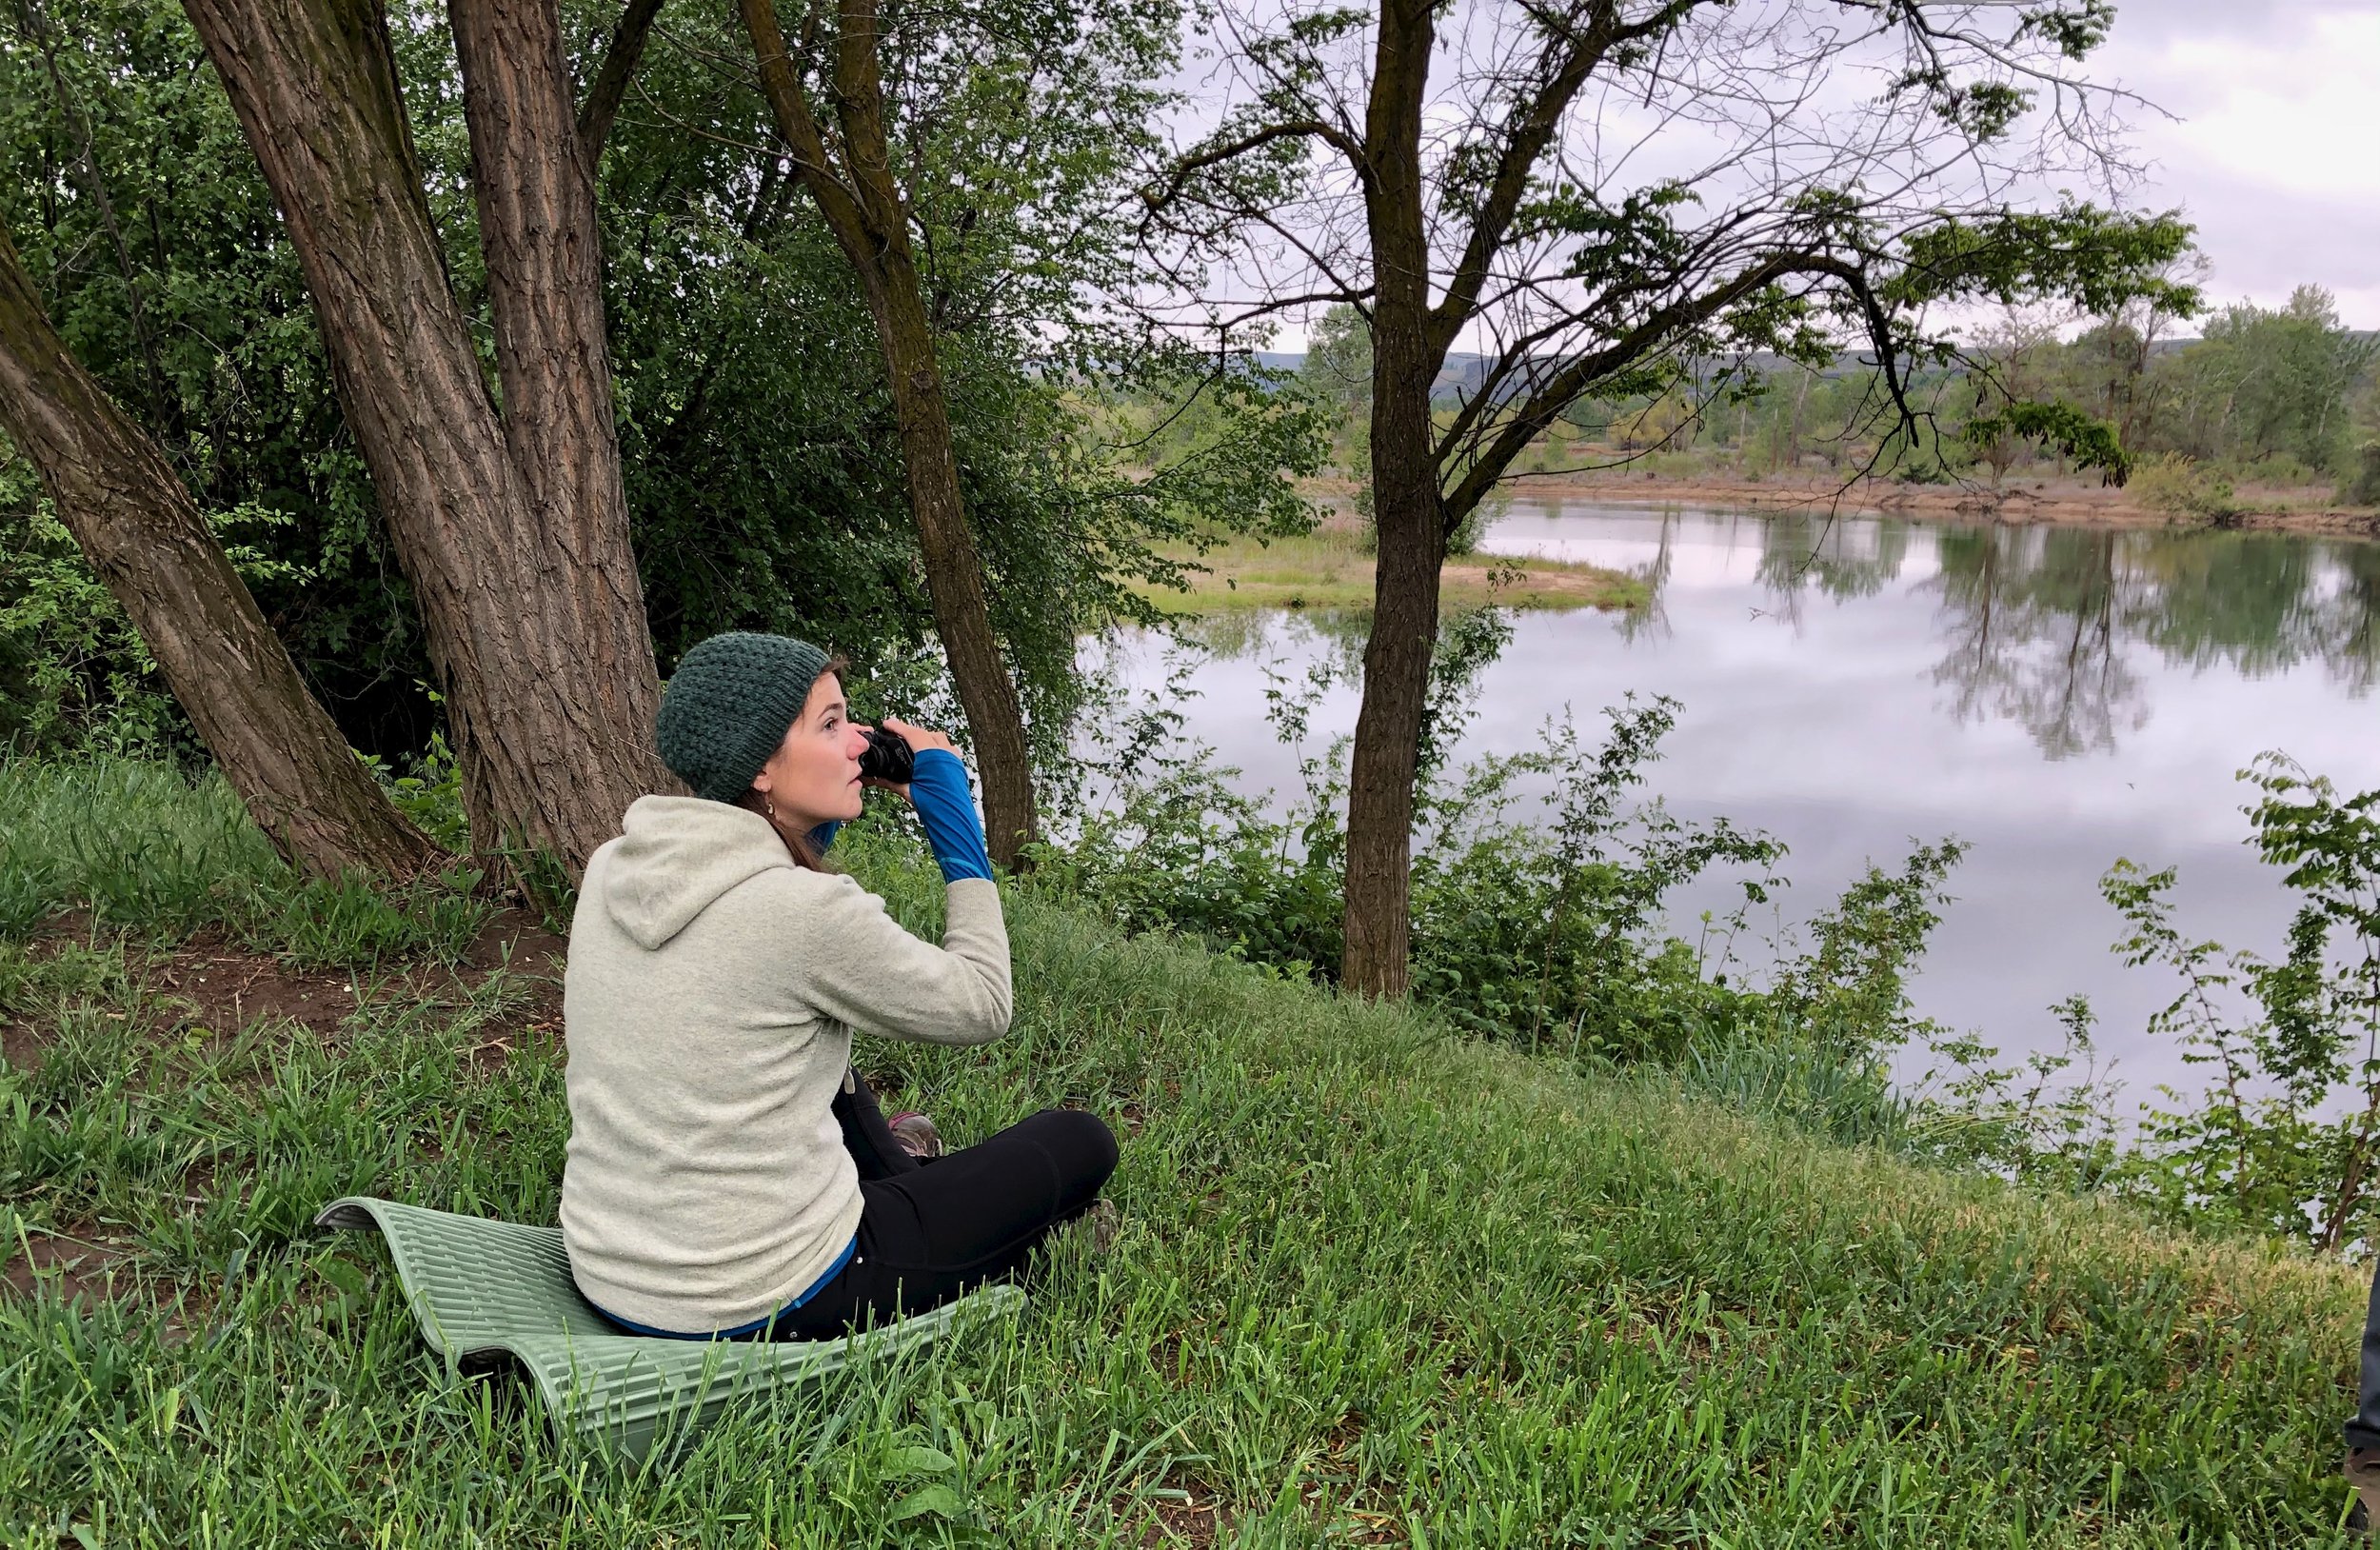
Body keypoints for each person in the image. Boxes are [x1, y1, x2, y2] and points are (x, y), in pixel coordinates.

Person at [559, 631, 1118, 1341]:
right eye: (829, 725)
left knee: (827, 1064)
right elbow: (983, 1004)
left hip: (611, 1266)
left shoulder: (616, 864)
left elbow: (763, 906)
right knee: (1080, 1140)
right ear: (761, 767)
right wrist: (955, 828)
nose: (858, 742)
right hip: (764, 1290)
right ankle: (926, 1204)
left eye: (850, 720)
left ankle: (900, 1167)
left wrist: (814, 809)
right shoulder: (806, 915)